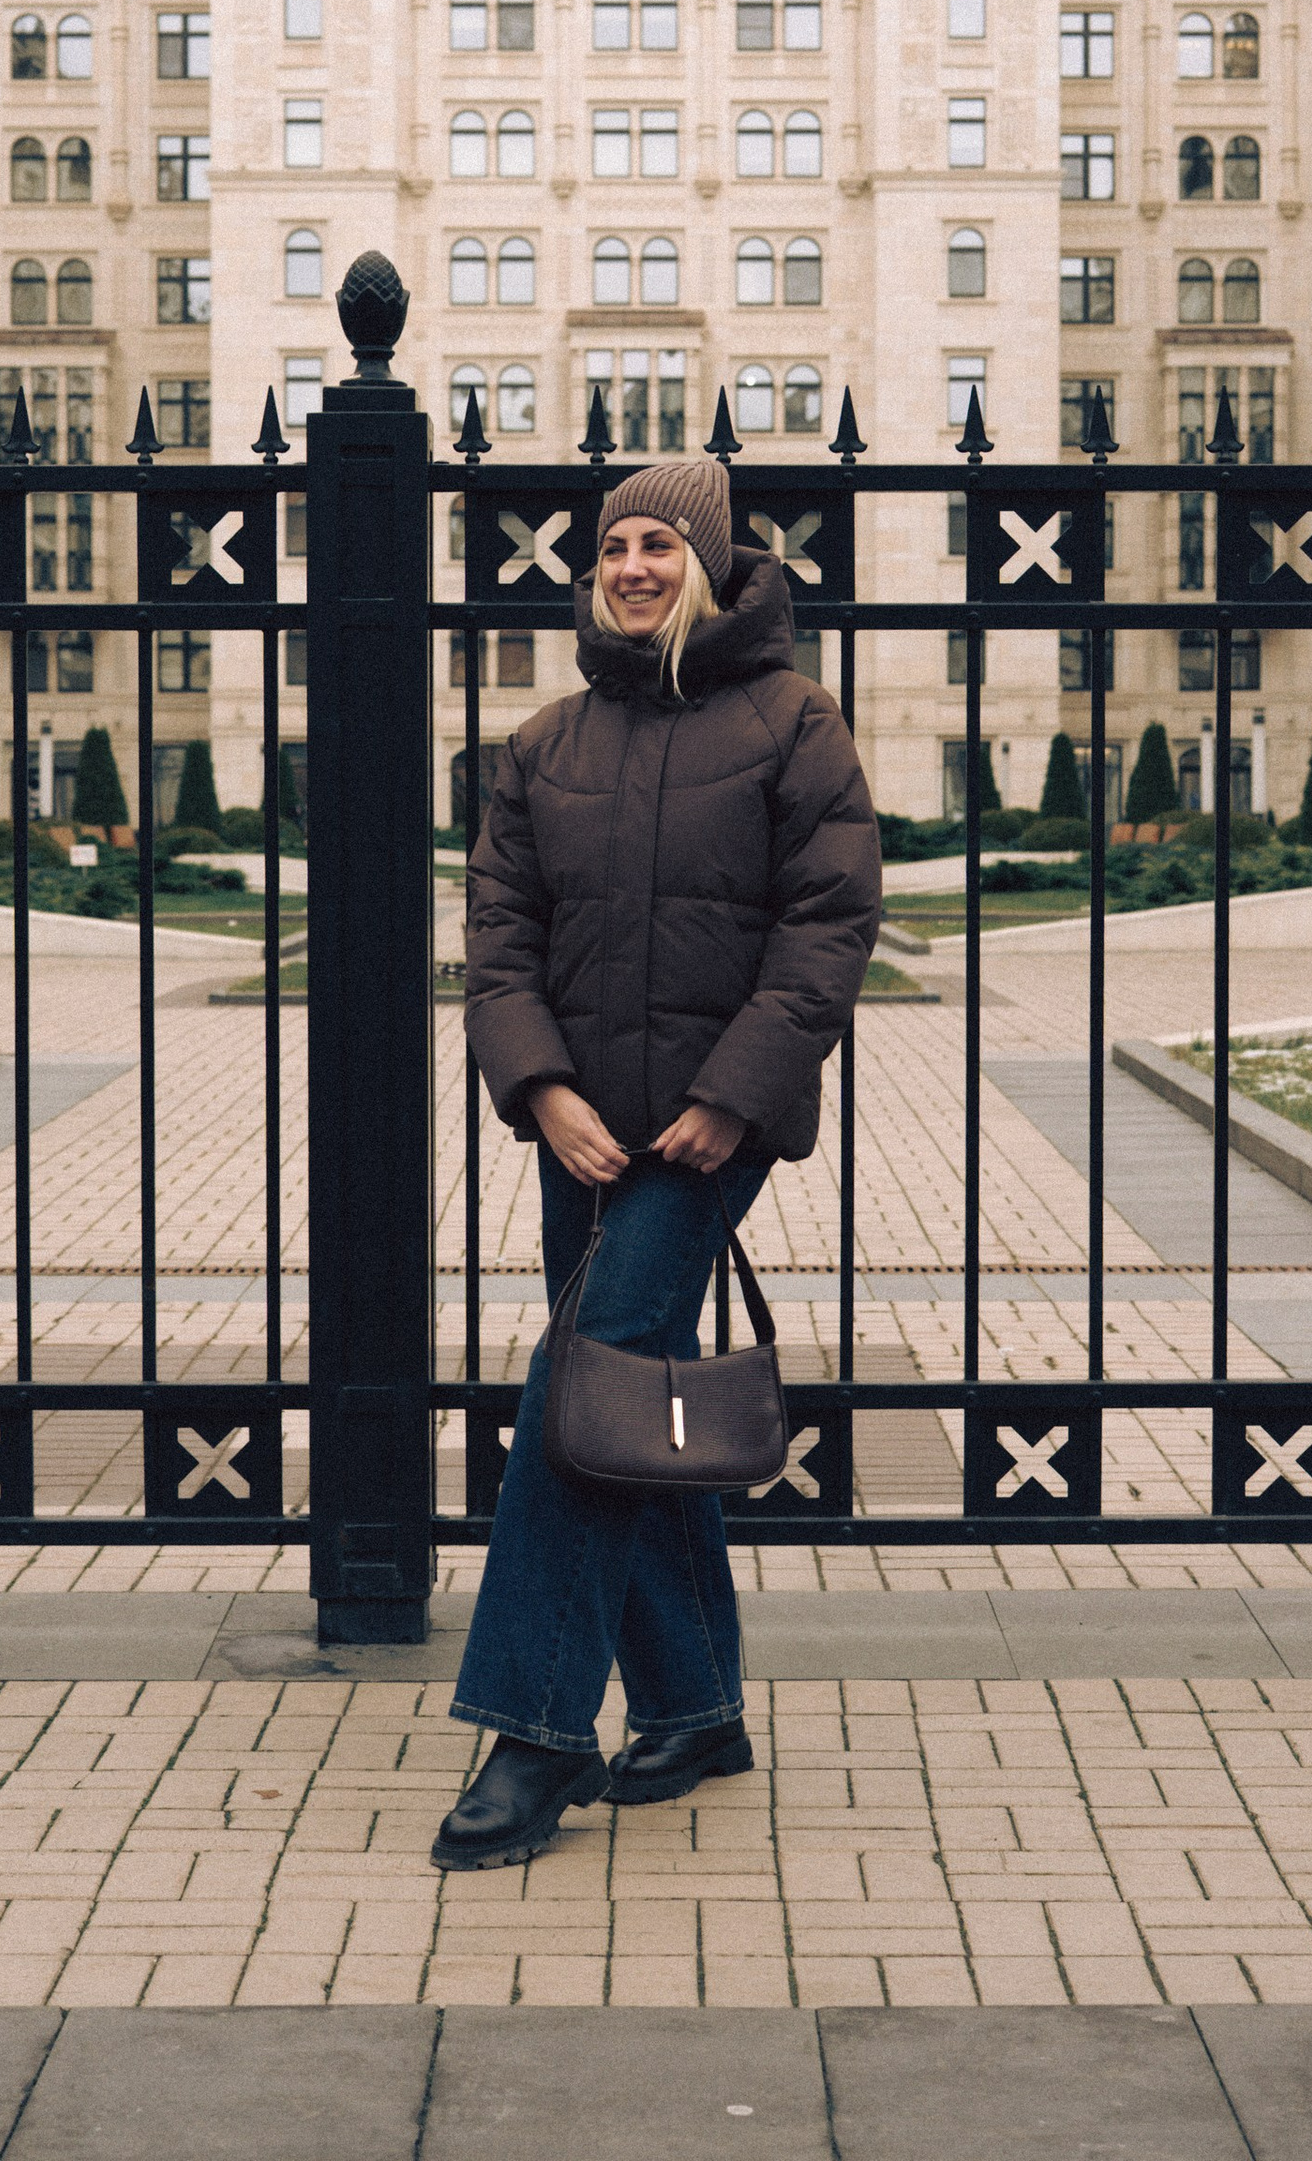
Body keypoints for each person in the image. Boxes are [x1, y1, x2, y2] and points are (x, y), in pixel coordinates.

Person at [433, 455, 880, 1872]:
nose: (631, 565)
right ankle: (692, 1710)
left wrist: (732, 1100)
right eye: (614, 544)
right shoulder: (548, 739)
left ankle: (537, 1728)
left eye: (659, 546)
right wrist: (542, 1089)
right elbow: (497, 932)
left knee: (580, 1387)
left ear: (713, 565)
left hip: (702, 1136)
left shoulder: (794, 720)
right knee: (622, 1403)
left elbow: (828, 926)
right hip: (585, 1132)